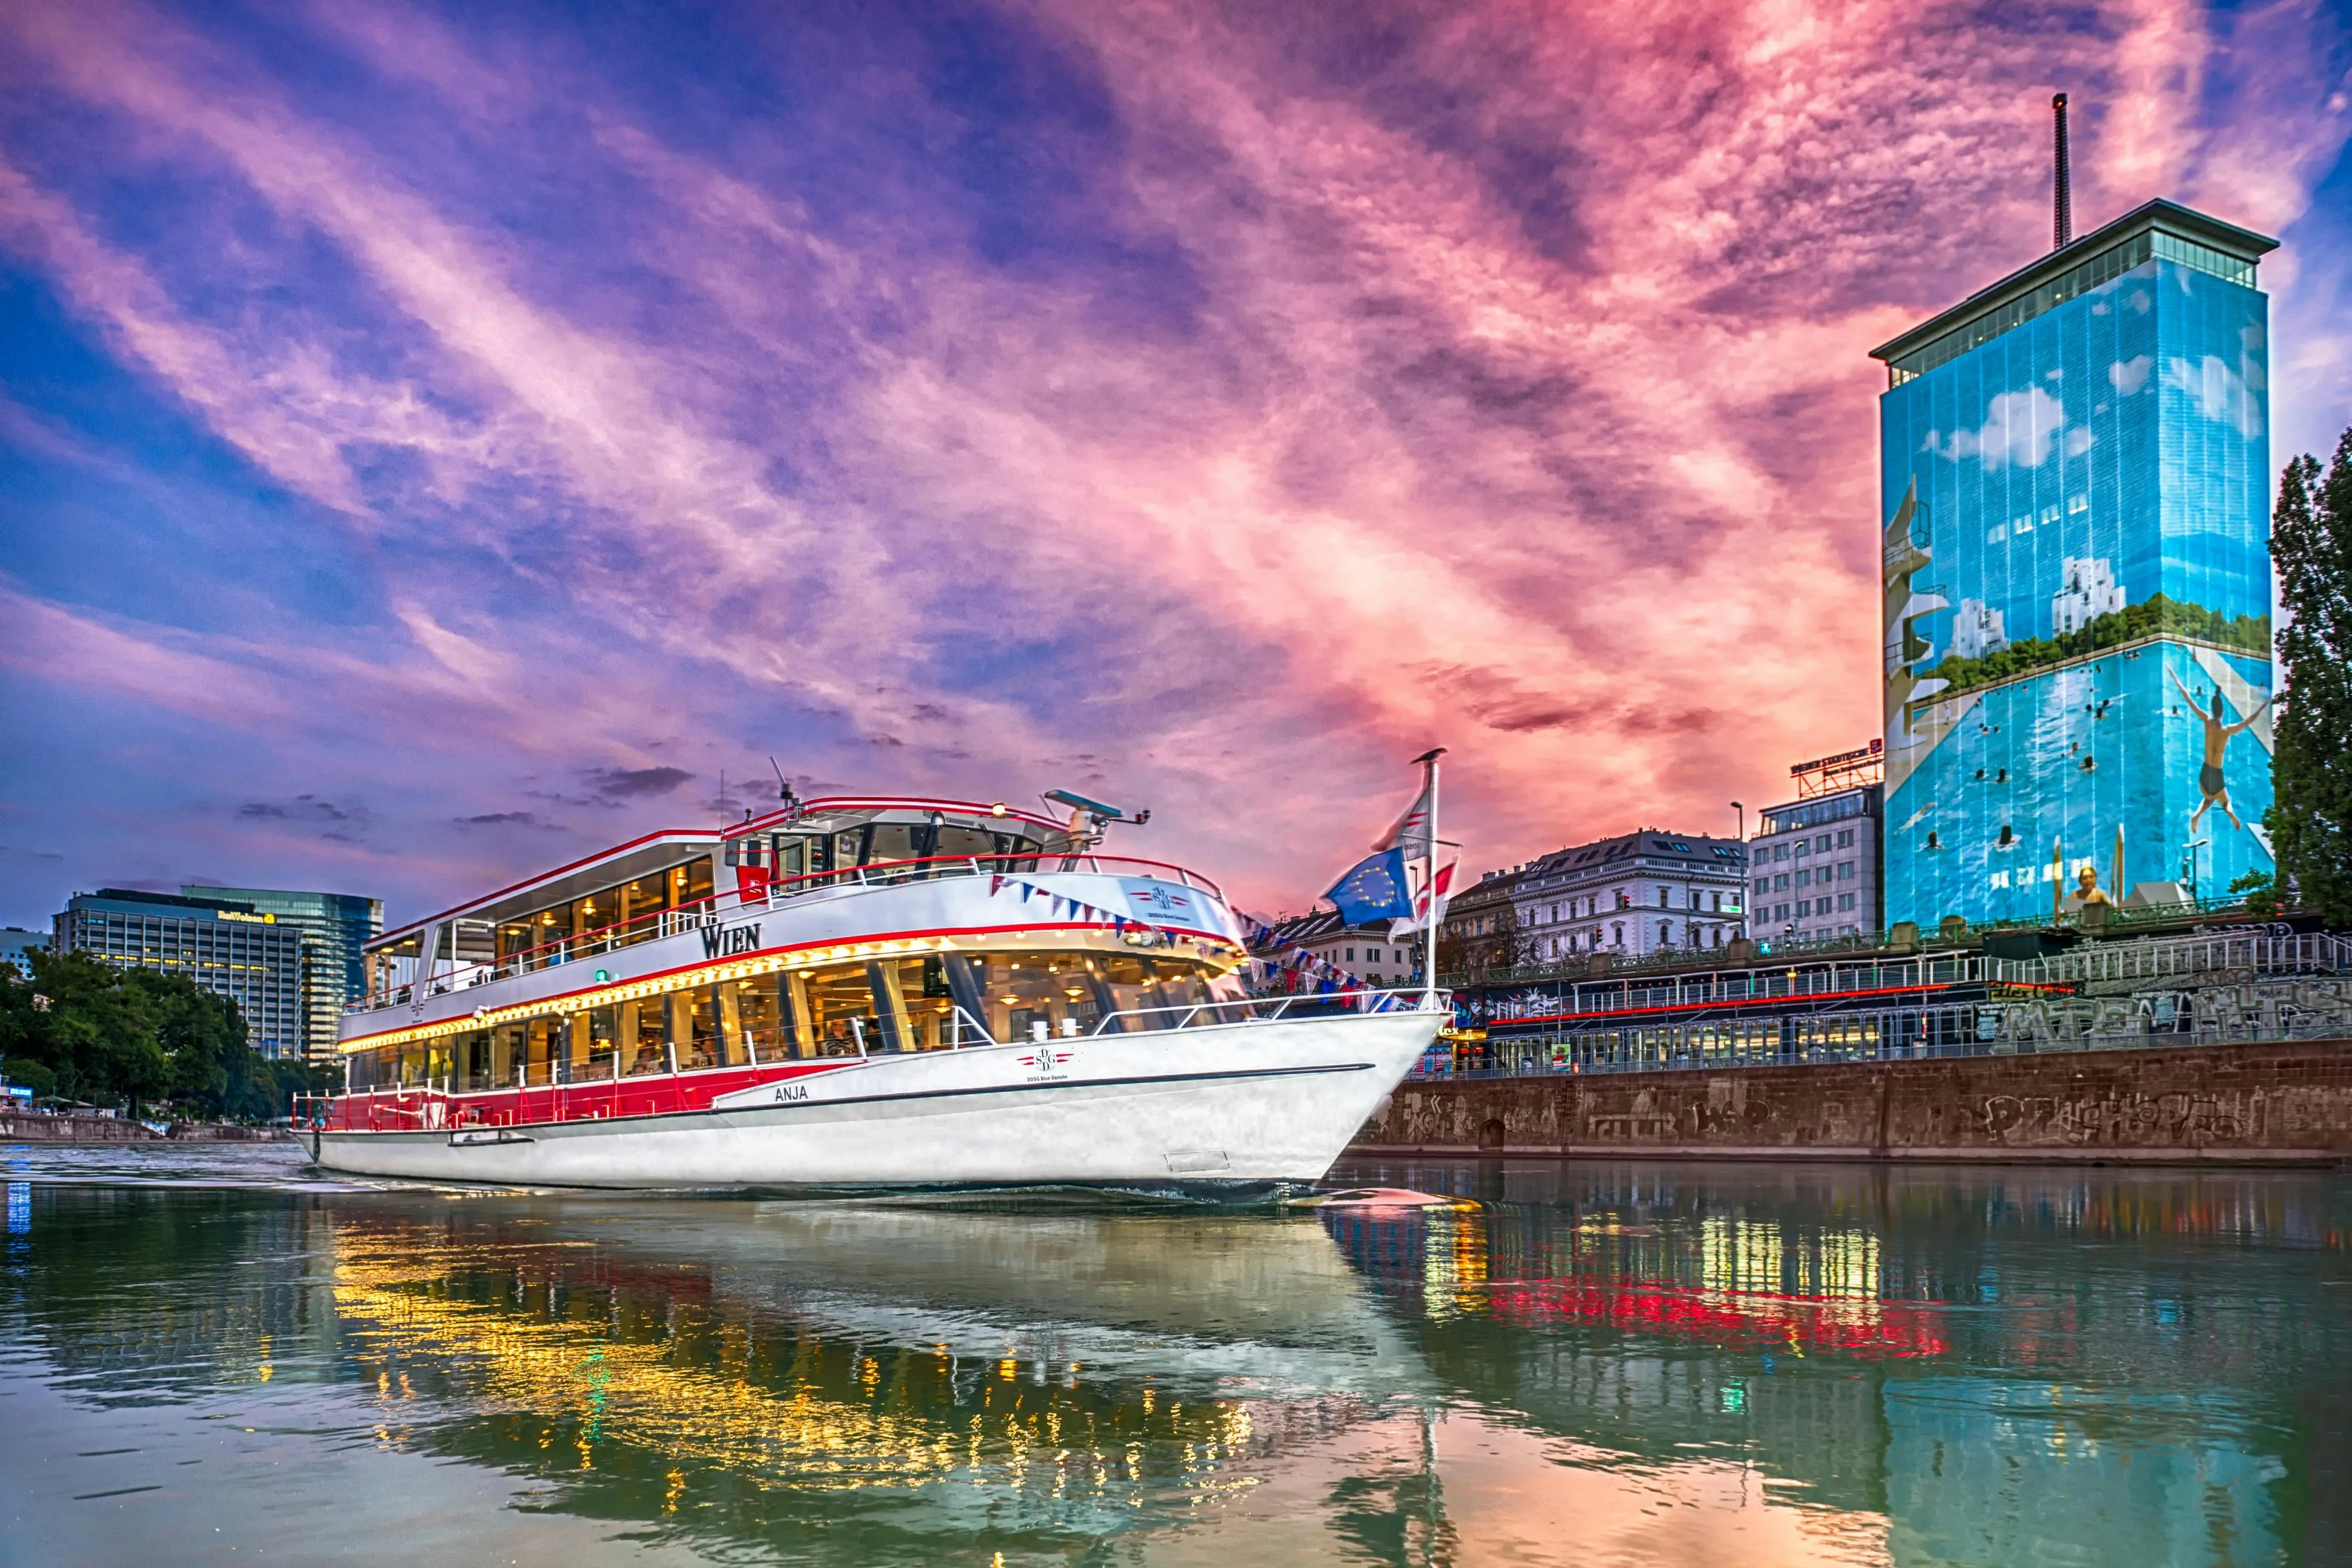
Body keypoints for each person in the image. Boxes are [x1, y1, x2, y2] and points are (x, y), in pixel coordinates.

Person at [2168, 670, 2273, 831]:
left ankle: (2196, 816)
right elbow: (2248, 722)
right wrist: (2264, 706)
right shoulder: (2227, 731)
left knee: (2208, 799)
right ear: (2222, 712)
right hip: (2217, 774)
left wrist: (2175, 676)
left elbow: (2188, 700)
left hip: (2204, 772)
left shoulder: (2206, 721)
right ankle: (2230, 813)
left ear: (2212, 709)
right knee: (2226, 802)